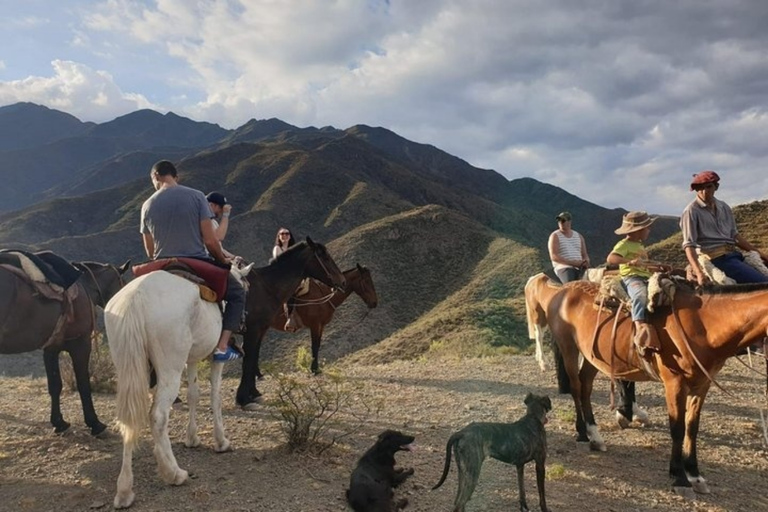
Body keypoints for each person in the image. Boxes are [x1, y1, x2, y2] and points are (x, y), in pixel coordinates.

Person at [140, 160, 245, 362]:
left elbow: (149, 250)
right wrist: (222, 260)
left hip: (163, 262)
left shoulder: (146, 205)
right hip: (195, 260)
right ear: (175, 177)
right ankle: (223, 347)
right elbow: (210, 240)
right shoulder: (196, 196)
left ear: (155, 177)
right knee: (238, 293)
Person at [680, 170, 768, 286]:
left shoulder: (724, 207)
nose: (704, 191)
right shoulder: (691, 211)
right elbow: (689, 245)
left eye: (708, 187)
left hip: (734, 255)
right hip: (717, 258)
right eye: (700, 188)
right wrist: (699, 272)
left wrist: (761, 254)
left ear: (716, 187)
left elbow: (734, 236)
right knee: (763, 284)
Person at [607, 211, 670, 358]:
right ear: (638, 230)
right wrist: (628, 262)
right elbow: (611, 258)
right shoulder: (624, 244)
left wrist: (659, 266)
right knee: (640, 295)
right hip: (632, 277)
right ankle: (639, 326)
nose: (649, 230)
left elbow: (644, 266)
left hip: (646, 277)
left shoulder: (639, 246)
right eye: (647, 228)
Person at [548, 211, 590, 283]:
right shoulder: (555, 236)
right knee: (570, 285)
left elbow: (584, 254)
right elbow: (554, 256)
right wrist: (573, 263)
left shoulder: (579, 236)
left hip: (580, 267)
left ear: (569, 222)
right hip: (564, 267)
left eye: (563, 220)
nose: (561, 222)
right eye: (559, 220)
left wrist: (586, 262)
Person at [271, 227, 300, 331]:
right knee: (290, 291)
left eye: (287, 233)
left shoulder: (293, 250)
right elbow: (278, 263)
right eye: (282, 234)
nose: (284, 236)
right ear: (278, 237)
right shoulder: (277, 249)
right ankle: (289, 318)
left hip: (292, 275)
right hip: (281, 277)